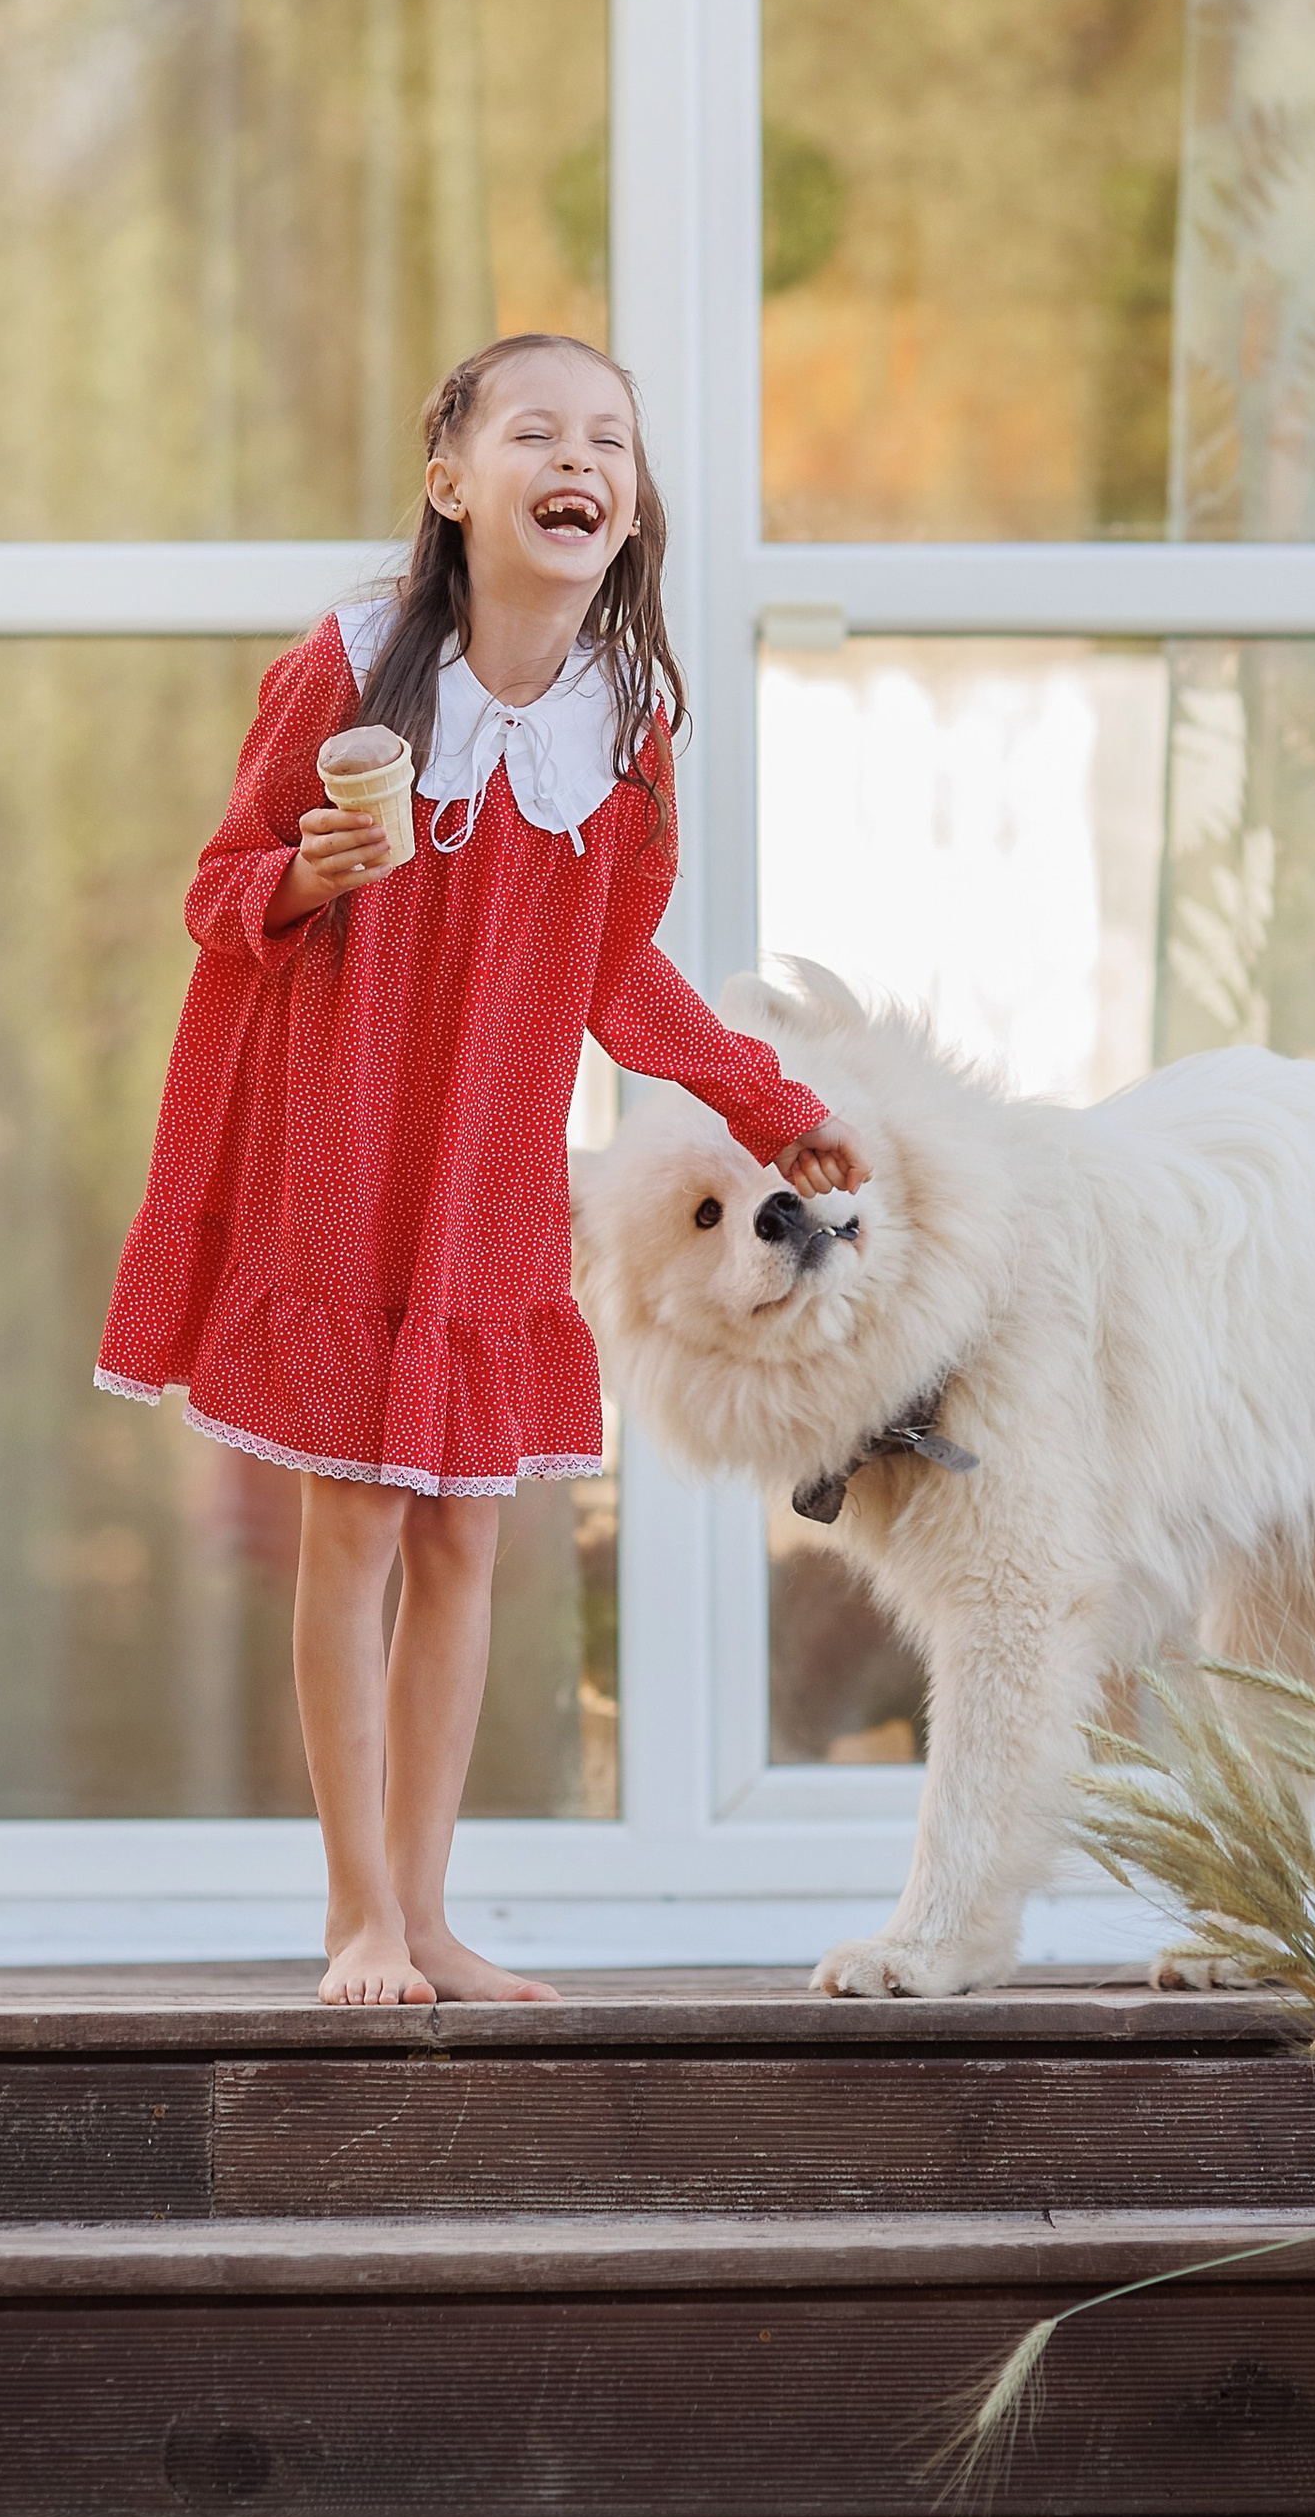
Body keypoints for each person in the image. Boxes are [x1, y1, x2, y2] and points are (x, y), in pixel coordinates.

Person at [97, 333, 871, 2006]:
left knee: (464, 1543)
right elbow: (218, 890)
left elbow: (614, 973)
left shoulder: (628, 724)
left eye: (609, 435)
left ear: (628, 497)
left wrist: (765, 1098)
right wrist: (307, 867)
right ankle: (355, 1916)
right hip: (341, 1167)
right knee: (357, 1529)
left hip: (489, 1187)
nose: (577, 455)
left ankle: (432, 1913)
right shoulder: (350, 666)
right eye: (537, 429)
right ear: (453, 480)